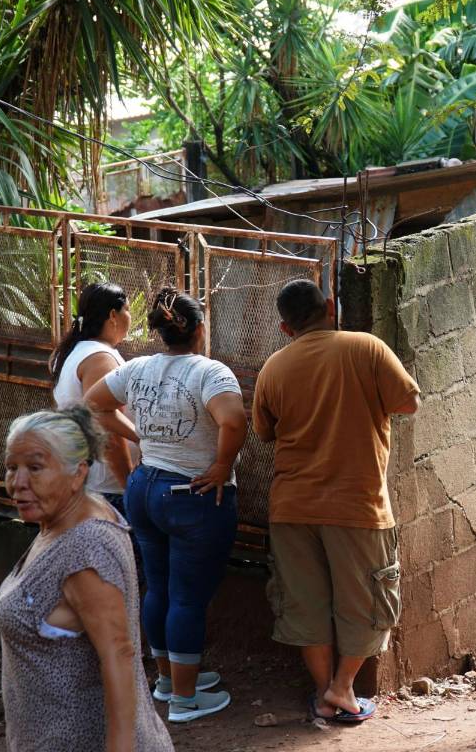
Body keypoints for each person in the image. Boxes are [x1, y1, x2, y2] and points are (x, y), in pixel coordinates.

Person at [252, 280, 420, 723]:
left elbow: (265, 432)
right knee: (366, 602)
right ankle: (344, 689)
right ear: (330, 306)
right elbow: (409, 403)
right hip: (357, 506)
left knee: (305, 604)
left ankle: (323, 691)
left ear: (286, 328)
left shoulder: (273, 367)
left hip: (291, 508)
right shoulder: (366, 348)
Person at [85, 287, 247, 723]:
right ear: (199, 329)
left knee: (159, 588)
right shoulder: (211, 372)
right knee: (188, 599)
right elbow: (233, 420)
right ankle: (185, 698)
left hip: (145, 488)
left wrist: (142, 438)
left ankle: (167, 680)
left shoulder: (138, 368)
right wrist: (220, 465)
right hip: (192, 495)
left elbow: (93, 404)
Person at [0, 406, 173, 752]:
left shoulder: (85, 547)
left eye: (35, 468)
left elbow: (119, 652)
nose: (18, 483)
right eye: (11, 468)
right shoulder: (66, 519)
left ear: (78, 473)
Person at [50, 283, 134, 516]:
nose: (130, 317)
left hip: (89, 479)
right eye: (127, 310)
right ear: (113, 315)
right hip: (107, 485)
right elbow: (105, 426)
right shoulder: (99, 357)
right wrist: (129, 484)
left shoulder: (74, 350)